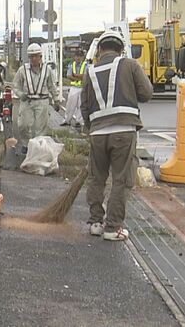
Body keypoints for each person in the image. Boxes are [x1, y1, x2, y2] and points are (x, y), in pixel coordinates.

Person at [80, 30, 153, 241]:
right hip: (124, 131)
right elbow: (146, 93)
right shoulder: (130, 65)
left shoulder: (90, 70)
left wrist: (92, 127)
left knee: (96, 177)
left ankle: (95, 222)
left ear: (100, 49)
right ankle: (112, 227)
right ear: (121, 49)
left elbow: (84, 106)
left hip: (97, 132)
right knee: (121, 179)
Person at [12, 43, 60, 154]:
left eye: (36, 56)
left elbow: (52, 86)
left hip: (42, 101)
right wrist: (20, 94)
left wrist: (56, 99)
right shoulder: (22, 70)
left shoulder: (47, 70)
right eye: (31, 56)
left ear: (40, 56)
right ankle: (26, 144)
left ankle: (38, 148)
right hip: (27, 101)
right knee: (23, 125)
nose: (33, 59)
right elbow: (16, 85)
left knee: (40, 128)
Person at [62, 51, 88, 127]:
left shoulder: (85, 65)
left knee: (81, 105)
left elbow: (85, 76)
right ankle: (67, 120)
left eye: (80, 56)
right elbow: (69, 75)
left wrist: (75, 75)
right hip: (73, 87)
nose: (78, 58)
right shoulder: (71, 65)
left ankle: (79, 121)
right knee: (70, 104)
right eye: (77, 56)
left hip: (82, 88)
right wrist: (79, 77)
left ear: (83, 57)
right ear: (74, 57)